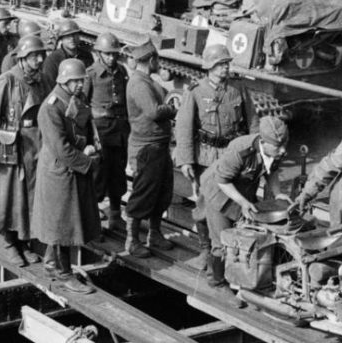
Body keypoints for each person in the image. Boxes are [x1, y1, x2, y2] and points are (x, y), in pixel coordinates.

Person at [175, 44, 258, 271]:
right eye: (221, 64)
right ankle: (206, 249)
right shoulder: (196, 91)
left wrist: (255, 150)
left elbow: (252, 121)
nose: (225, 68)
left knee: (237, 200)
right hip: (207, 157)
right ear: (210, 67)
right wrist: (185, 160)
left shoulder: (238, 89)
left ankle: (233, 251)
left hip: (233, 156)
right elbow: (183, 127)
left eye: (227, 64)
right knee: (204, 204)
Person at [0, 35, 51, 266]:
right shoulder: (6, 81)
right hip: (10, 149)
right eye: (34, 56)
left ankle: (24, 242)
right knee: (8, 199)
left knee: (28, 200)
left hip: (35, 149)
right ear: (22, 58)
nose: (39, 60)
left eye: (41, 55)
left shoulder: (41, 81)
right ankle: (10, 243)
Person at [200, 116, 288, 299]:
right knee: (223, 240)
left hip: (243, 193)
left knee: (247, 235)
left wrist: (277, 192)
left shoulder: (276, 149)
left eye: (283, 145)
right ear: (263, 142)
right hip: (218, 192)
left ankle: (244, 276)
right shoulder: (240, 149)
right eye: (278, 147)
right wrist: (242, 202)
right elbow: (222, 181)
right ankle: (216, 281)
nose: (283, 150)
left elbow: (271, 172)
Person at [33, 58, 101, 294]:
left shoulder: (73, 99)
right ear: (65, 80)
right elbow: (61, 149)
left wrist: (91, 145)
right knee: (62, 225)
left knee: (63, 222)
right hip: (60, 173)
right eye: (76, 81)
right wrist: (88, 161)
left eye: (81, 80)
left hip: (70, 170)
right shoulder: (51, 107)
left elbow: (83, 125)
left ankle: (52, 263)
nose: (81, 84)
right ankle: (64, 274)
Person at [124, 39, 177, 258]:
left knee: (163, 192)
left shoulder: (147, 81)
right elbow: (154, 112)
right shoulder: (138, 83)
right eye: (157, 59)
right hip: (146, 149)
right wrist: (173, 108)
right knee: (143, 194)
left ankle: (154, 233)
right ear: (152, 60)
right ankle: (132, 240)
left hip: (158, 145)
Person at [84, 32, 129, 230]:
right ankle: (93, 221)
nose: (112, 58)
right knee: (98, 176)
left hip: (119, 129)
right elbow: (83, 105)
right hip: (100, 130)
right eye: (108, 54)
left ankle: (115, 215)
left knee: (117, 173)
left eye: (114, 54)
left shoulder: (121, 71)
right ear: (99, 54)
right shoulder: (90, 74)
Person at [41, 19, 93, 88]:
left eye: (74, 35)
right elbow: (48, 86)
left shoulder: (87, 56)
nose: (72, 38)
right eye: (68, 35)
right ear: (61, 38)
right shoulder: (52, 60)